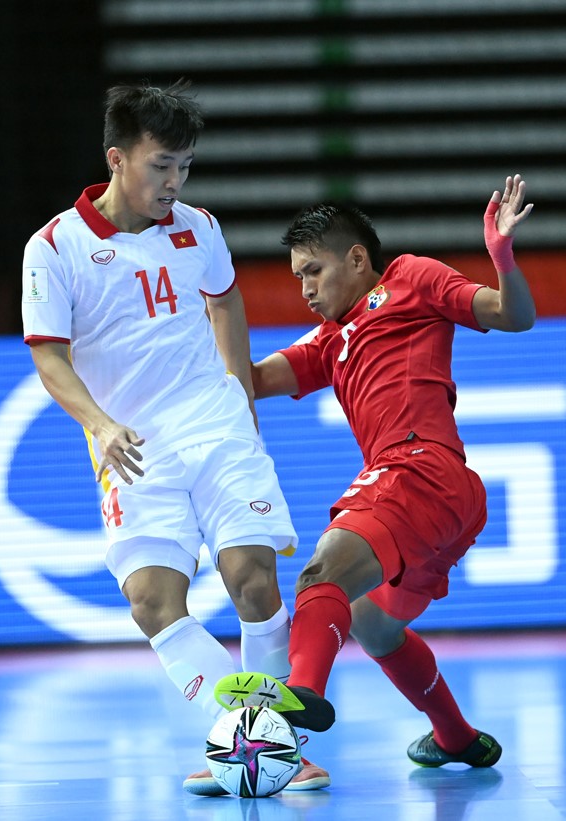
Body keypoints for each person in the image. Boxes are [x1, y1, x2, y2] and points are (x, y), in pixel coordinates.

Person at [21, 79, 328, 794]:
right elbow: (48, 355)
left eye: (184, 166)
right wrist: (98, 424)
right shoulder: (55, 248)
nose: (174, 182)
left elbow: (225, 301)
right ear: (117, 158)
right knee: (153, 601)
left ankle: (272, 746)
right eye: (162, 165)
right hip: (132, 447)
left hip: (214, 427)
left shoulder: (199, 227)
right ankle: (250, 740)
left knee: (252, 579)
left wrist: (241, 394)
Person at [214, 175, 535, 769]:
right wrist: (211, 311)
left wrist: (502, 257)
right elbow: (249, 381)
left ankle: (302, 692)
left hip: (419, 468)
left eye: (313, 271)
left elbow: (515, 316)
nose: (305, 289)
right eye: (297, 278)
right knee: (372, 624)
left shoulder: (411, 278)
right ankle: (455, 736)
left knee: (321, 573)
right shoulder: (329, 339)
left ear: (357, 258)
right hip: (448, 499)